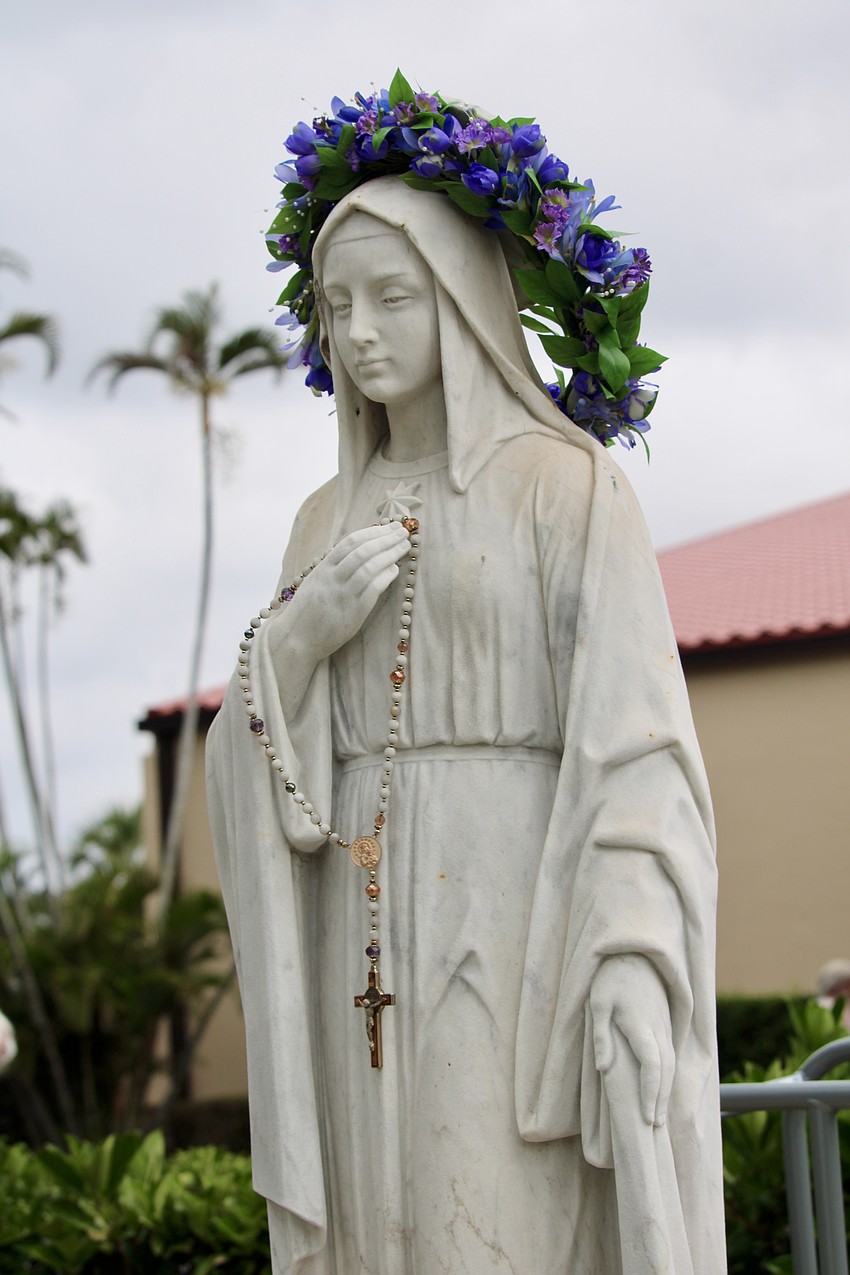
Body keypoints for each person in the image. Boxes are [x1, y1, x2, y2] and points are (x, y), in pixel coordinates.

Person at [206, 175, 725, 1273]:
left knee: (489, 1217)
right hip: (358, 918)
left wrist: (632, 951)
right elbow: (254, 750)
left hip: (519, 904)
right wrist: (300, 641)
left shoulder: (565, 487)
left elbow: (636, 746)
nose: (357, 332)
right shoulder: (321, 518)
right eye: (335, 306)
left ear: (459, 300)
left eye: (390, 297)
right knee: (376, 1221)